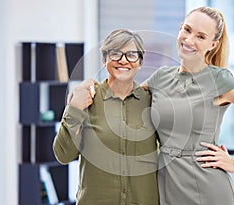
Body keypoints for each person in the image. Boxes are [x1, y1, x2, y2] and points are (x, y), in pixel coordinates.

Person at [142, 6, 234, 205]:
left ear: (213, 44)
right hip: (167, 185)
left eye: (201, 37)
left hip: (208, 188)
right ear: (179, 29)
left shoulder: (219, 80)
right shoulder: (160, 77)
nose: (189, 40)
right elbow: (124, 100)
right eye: (187, 30)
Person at [53, 29, 159, 205]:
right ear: (104, 59)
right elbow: (63, 155)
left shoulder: (153, 103)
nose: (123, 60)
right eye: (116, 53)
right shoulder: (87, 99)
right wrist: (74, 108)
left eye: (132, 55)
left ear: (140, 62)